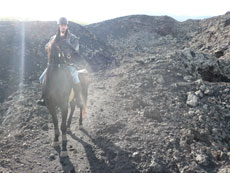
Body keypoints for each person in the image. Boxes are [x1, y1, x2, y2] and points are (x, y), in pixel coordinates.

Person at [37, 17, 83, 107]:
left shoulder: (73, 38)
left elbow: (75, 50)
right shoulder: (53, 38)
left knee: (75, 77)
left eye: (64, 25)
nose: (63, 27)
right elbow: (46, 47)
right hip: (54, 64)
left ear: (67, 26)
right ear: (59, 26)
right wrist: (51, 48)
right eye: (61, 25)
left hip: (68, 64)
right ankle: (44, 98)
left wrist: (67, 52)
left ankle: (78, 99)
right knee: (41, 78)